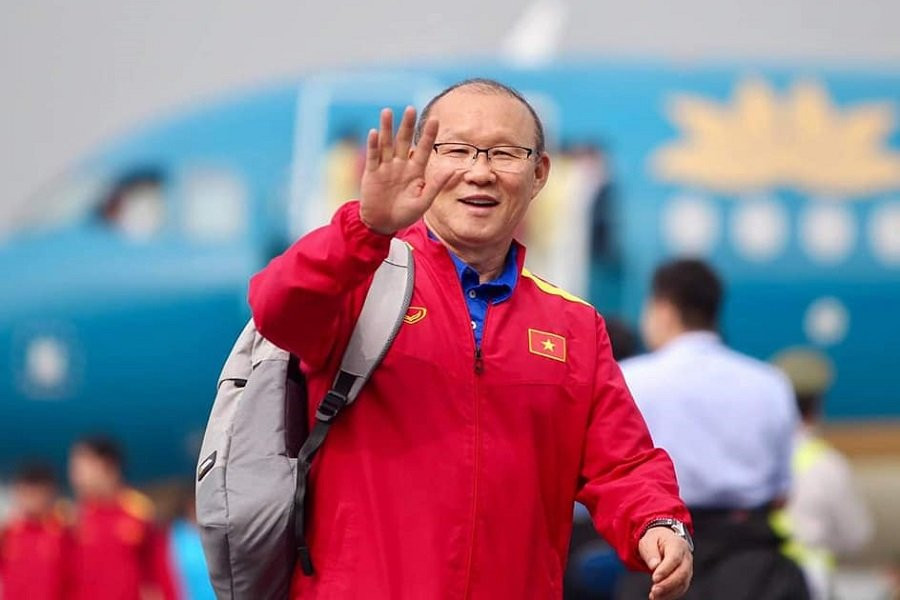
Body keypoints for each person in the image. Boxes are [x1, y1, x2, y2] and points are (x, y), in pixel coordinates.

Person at [249, 78, 693, 600]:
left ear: (539, 174)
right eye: (457, 150)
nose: (480, 172)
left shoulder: (574, 326)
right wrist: (364, 229)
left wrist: (658, 522)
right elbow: (276, 307)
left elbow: (624, 464)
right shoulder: (359, 285)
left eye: (504, 154)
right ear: (420, 163)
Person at [616, 259, 808, 599]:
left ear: (664, 309)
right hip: (753, 563)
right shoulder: (769, 383)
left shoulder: (629, 380)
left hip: (659, 560)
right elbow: (782, 493)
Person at [772, 348, 874, 600]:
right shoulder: (828, 464)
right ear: (817, 404)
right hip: (812, 581)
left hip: (758, 577)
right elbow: (856, 535)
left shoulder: (755, 456)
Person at [68, 435, 179, 600]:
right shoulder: (72, 518)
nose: (75, 476)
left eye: (81, 467)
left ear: (107, 465)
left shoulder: (140, 512)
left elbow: (161, 575)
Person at [0, 462, 70, 599]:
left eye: (36, 493)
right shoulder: (8, 534)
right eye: (26, 493)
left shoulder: (63, 534)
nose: (31, 500)